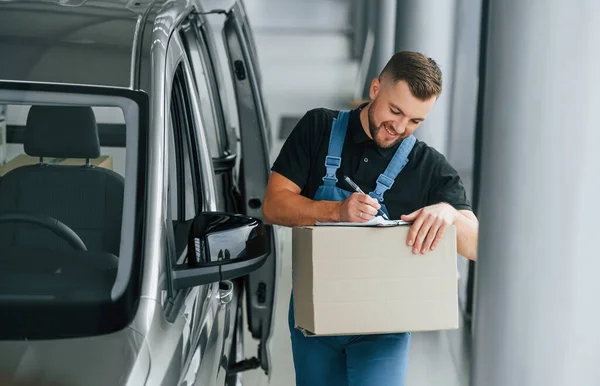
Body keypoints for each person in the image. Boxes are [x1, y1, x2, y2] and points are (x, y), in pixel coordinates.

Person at [263, 51, 479, 386]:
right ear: (375, 88)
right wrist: (335, 211)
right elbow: (274, 205)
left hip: (385, 327)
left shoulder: (427, 166)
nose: (401, 127)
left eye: (415, 121)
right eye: (395, 111)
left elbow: (477, 244)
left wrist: (449, 213)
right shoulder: (318, 128)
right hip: (315, 314)